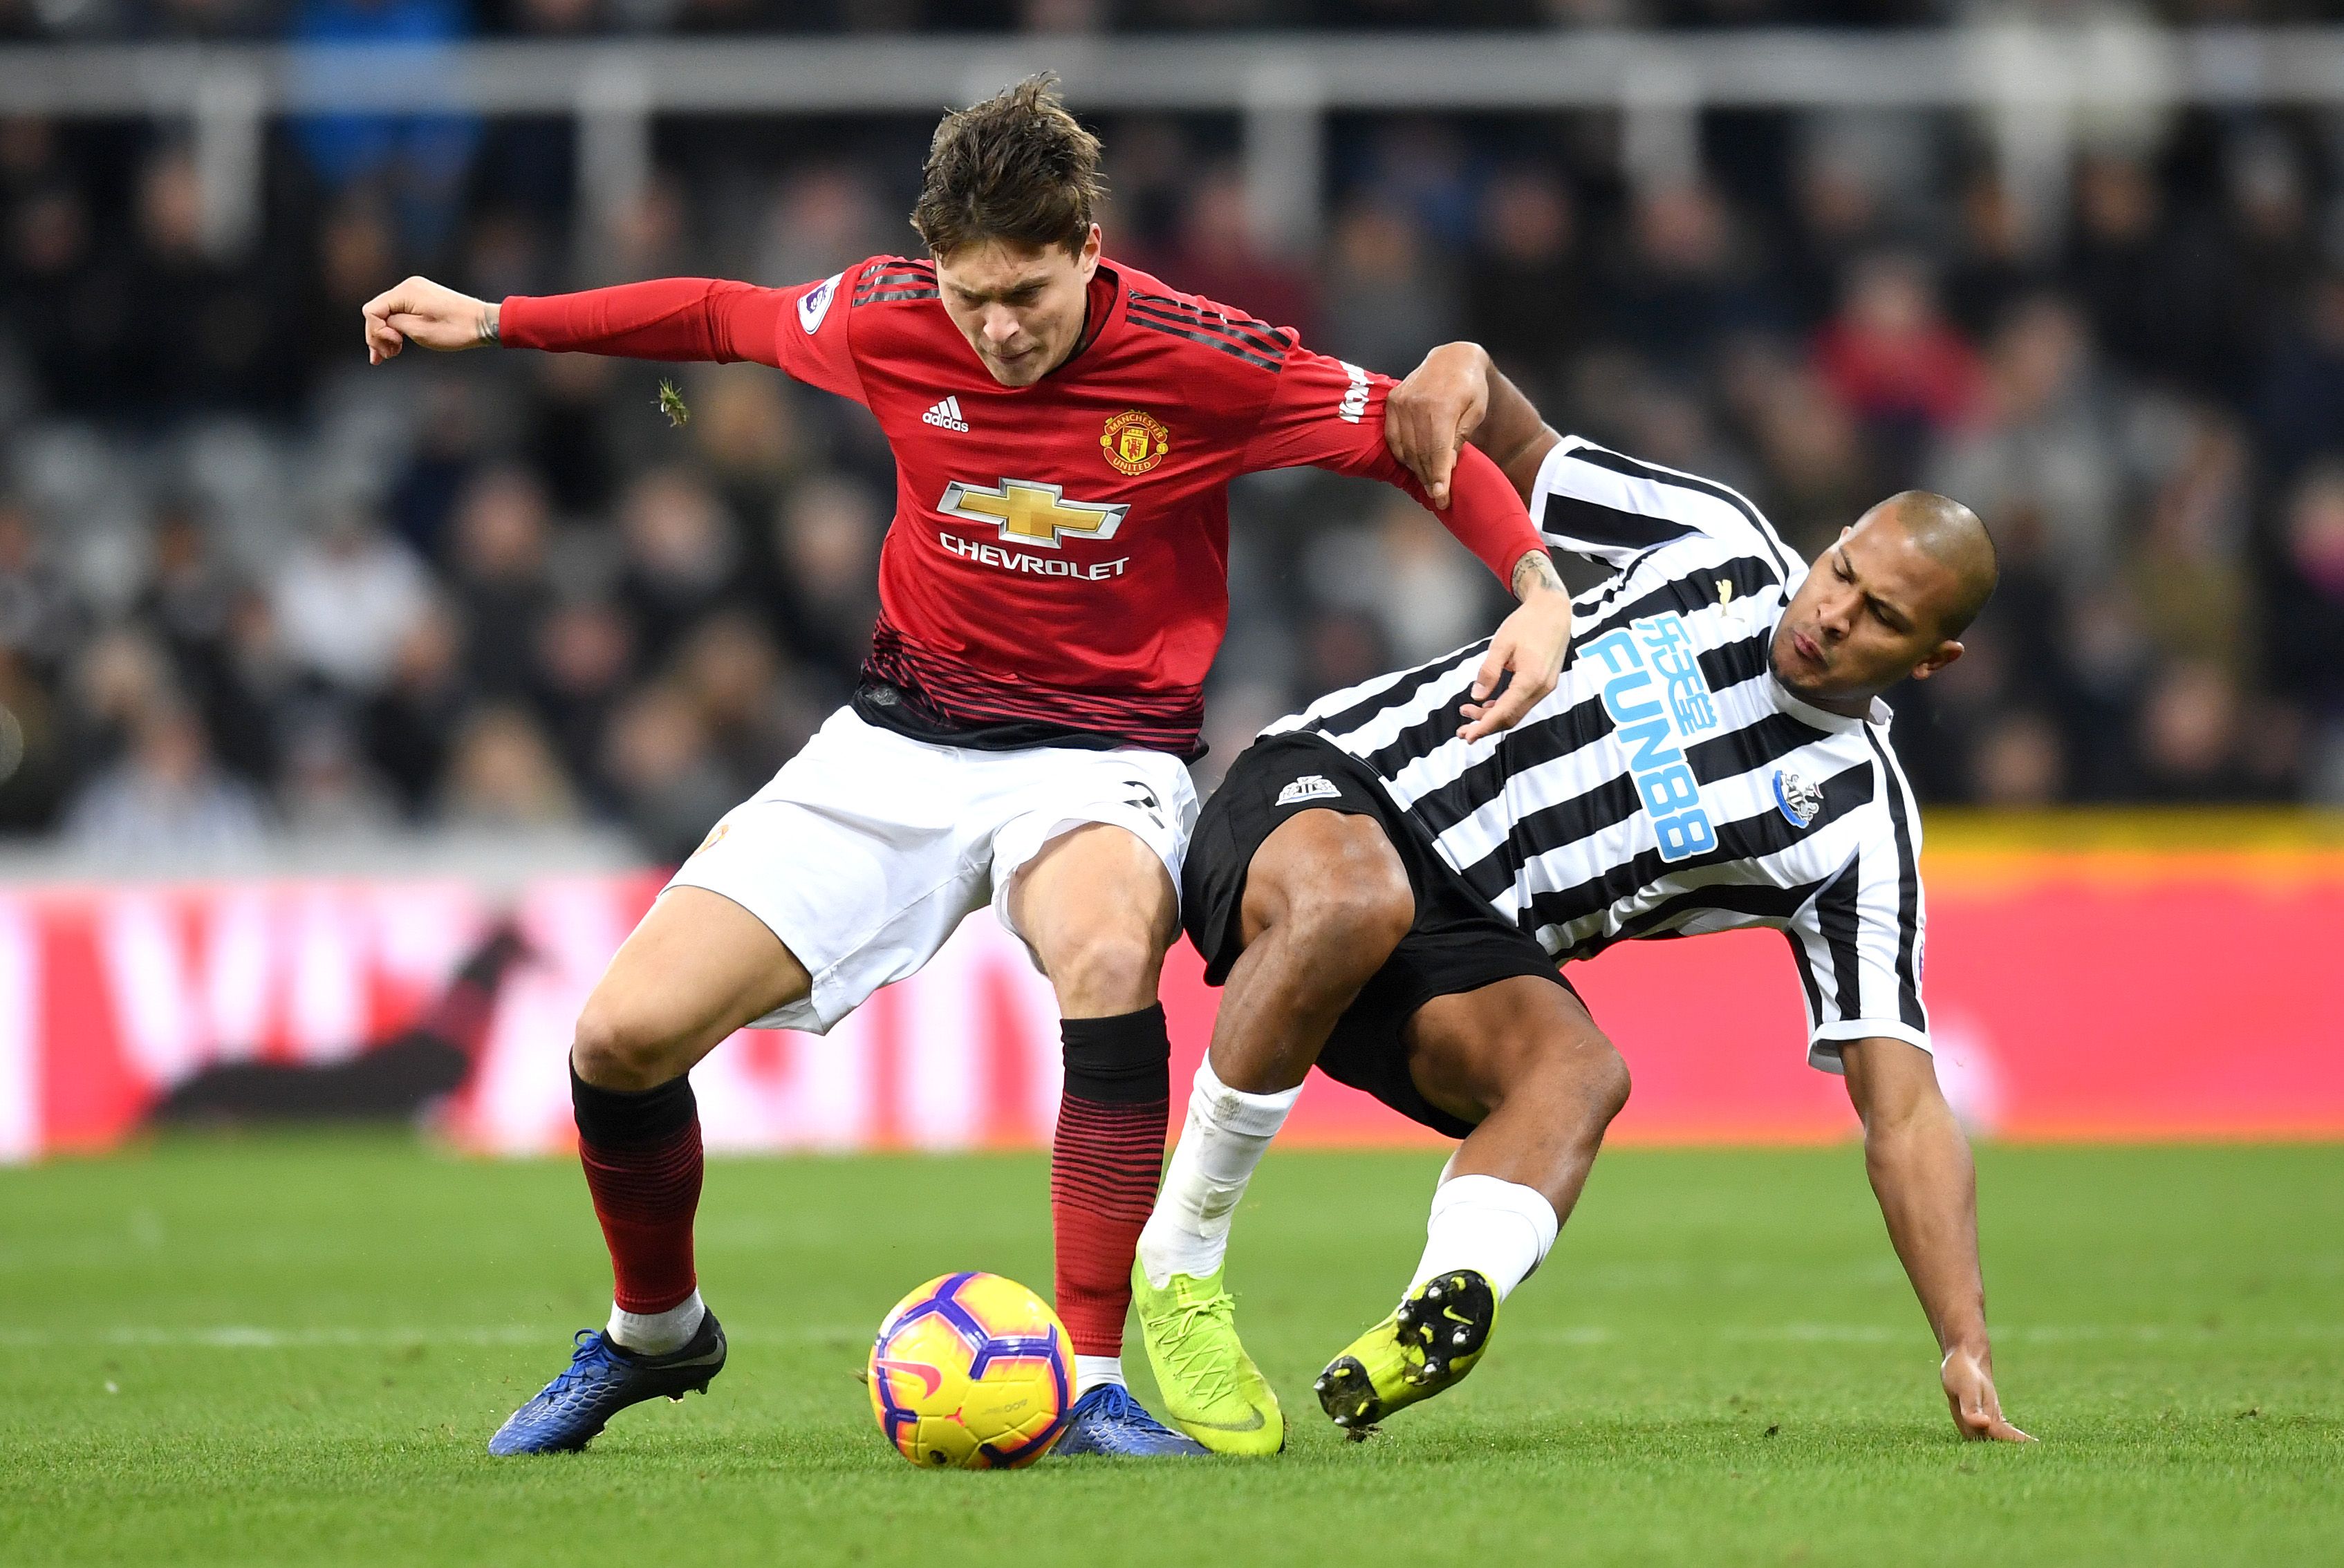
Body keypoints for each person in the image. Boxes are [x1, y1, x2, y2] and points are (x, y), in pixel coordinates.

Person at [360, 81, 1574, 1457]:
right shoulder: (888, 316)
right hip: (895, 742)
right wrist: (498, 319)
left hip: (1101, 758)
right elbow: (720, 316)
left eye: (1028, 295)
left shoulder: (1203, 356)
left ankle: (1097, 1378)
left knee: (1110, 960)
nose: (996, 329)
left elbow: (1414, 436)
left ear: (1088, 248)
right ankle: (656, 1333)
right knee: (615, 1042)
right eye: (971, 295)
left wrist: (1534, 585)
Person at [1128, 340, 2030, 1454]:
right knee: (1359, 896)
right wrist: (1463, 367)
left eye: (1882, 616)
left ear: (1931, 660)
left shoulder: (1856, 828)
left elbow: (1900, 1108)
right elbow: (1519, 444)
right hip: (1328, 787)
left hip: (1460, 942)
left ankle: (1442, 1307)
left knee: (1583, 1072)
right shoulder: (1723, 544)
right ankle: (1181, 1257)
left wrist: (1963, 1338)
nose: (1834, 611)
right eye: (1842, 568)